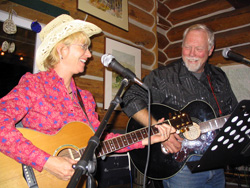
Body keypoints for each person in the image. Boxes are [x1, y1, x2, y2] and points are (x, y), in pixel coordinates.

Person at [0, 14, 174, 183]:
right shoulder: (34, 84)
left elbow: (100, 140)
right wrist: (47, 161)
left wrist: (146, 138)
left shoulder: (85, 98)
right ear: (62, 49)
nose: (89, 54)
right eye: (83, 47)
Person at [121, 24, 238, 188]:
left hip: (215, 162)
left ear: (210, 50)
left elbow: (233, 112)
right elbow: (129, 98)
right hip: (181, 166)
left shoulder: (219, 77)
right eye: (187, 47)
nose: (192, 53)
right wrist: (159, 130)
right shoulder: (164, 77)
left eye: (199, 48)